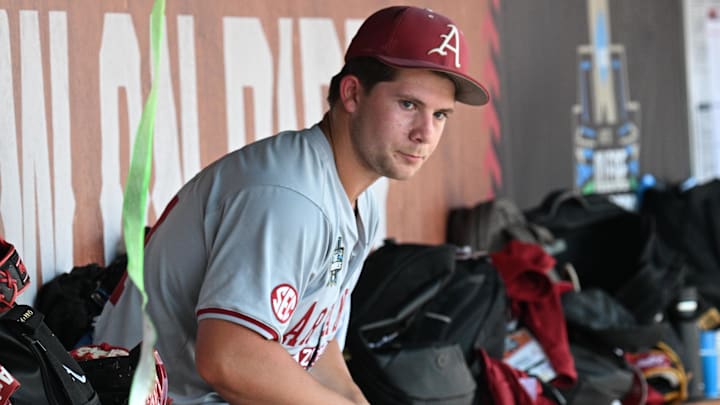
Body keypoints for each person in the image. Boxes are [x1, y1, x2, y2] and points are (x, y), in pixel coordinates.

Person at [93, 5, 489, 404]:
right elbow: (228, 360)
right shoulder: (290, 197)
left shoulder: (356, 199)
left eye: (440, 115)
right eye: (409, 105)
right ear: (352, 93)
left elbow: (314, 346)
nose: (425, 133)